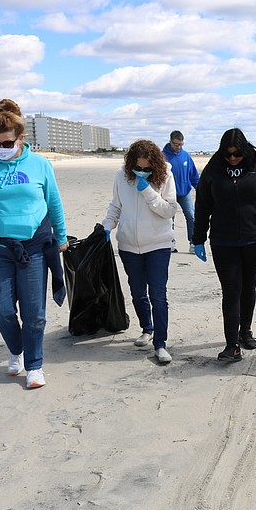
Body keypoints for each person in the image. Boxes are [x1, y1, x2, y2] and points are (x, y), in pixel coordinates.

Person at [0, 99, 69, 389]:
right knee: (1, 310)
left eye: (7, 144)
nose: (1, 149)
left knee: (34, 313)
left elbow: (53, 202)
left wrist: (62, 236)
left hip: (34, 248)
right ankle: (17, 350)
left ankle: (34, 366)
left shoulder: (40, 165)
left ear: (21, 139)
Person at [192, 128, 256, 363]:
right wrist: (198, 238)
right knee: (231, 289)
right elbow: (203, 205)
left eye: (237, 154)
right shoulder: (213, 169)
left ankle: (245, 331)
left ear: (245, 150)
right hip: (223, 241)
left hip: (255, 238)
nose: (233, 158)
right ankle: (231, 345)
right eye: (228, 154)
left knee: (248, 286)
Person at [102, 140, 178, 364]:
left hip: (158, 244)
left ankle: (160, 344)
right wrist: (107, 226)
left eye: (147, 169)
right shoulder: (121, 176)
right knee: (137, 292)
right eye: (138, 168)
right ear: (130, 165)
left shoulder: (165, 176)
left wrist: (149, 193)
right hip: (128, 245)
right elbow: (116, 205)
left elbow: (170, 210)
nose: (141, 172)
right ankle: (147, 328)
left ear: (154, 165)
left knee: (158, 295)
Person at [162, 130, 199, 254]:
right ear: (170, 141)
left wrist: (199, 189)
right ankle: (170, 242)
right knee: (169, 219)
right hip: (168, 194)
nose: (178, 147)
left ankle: (193, 242)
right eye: (175, 144)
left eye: (180, 145)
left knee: (191, 216)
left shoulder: (186, 156)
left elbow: (194, 175)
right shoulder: (162, 156)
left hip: (185, 192)